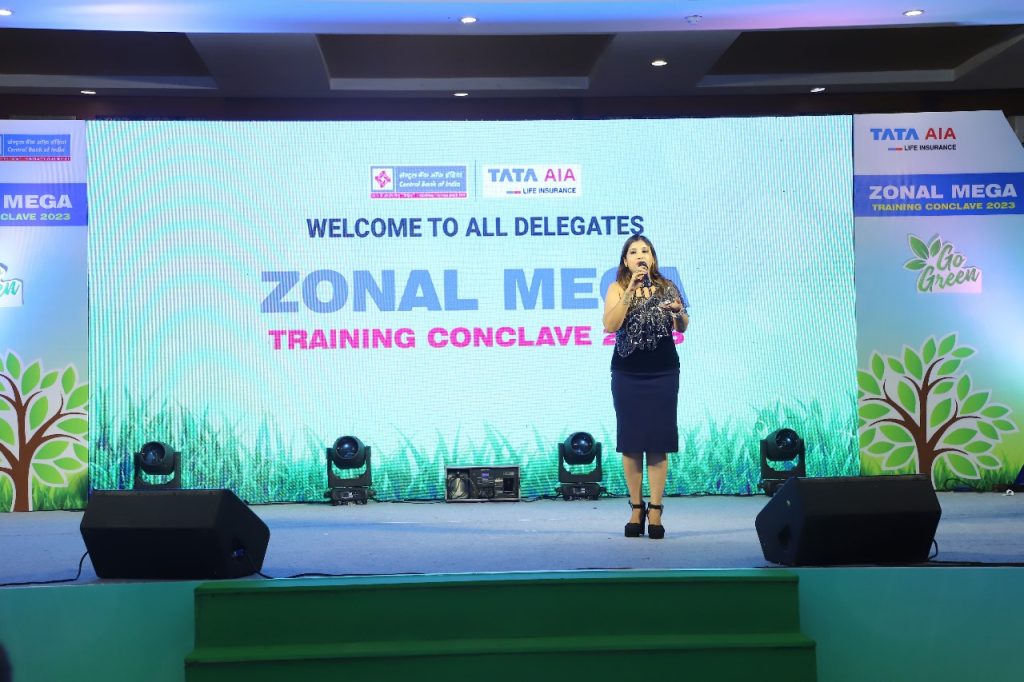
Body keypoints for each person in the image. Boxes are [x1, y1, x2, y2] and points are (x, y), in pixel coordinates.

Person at [602, 235, 688, 539]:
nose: (640, 256)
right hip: (628, 373)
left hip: (663, 372)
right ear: (626, 261)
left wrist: (678, 312)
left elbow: (682, 325)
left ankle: (656, 509)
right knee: (631, 441)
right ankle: (636, 508)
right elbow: (611, 325)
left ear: (652, 258)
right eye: (634, 252)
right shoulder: (617, 288)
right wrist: (630, 290)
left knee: (658, 441)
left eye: (645, 251)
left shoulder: (668, 286)